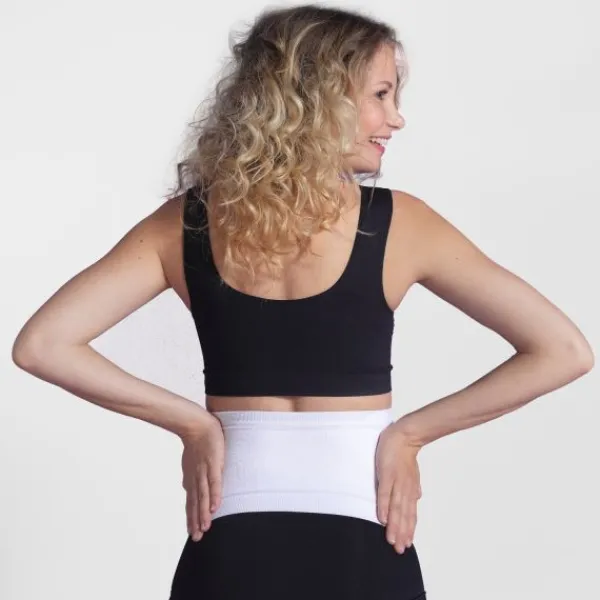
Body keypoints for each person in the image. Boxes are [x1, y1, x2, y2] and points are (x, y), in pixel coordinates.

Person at [11, 4, 594, 600]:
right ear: (319, 97)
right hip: (363, 547)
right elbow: (565, 350)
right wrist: (409, 436)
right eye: (381, 95)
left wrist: (192, 425)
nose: (396, 118)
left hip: (229, 548)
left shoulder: (184, 224)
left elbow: (44, 345)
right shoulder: (402, 225)